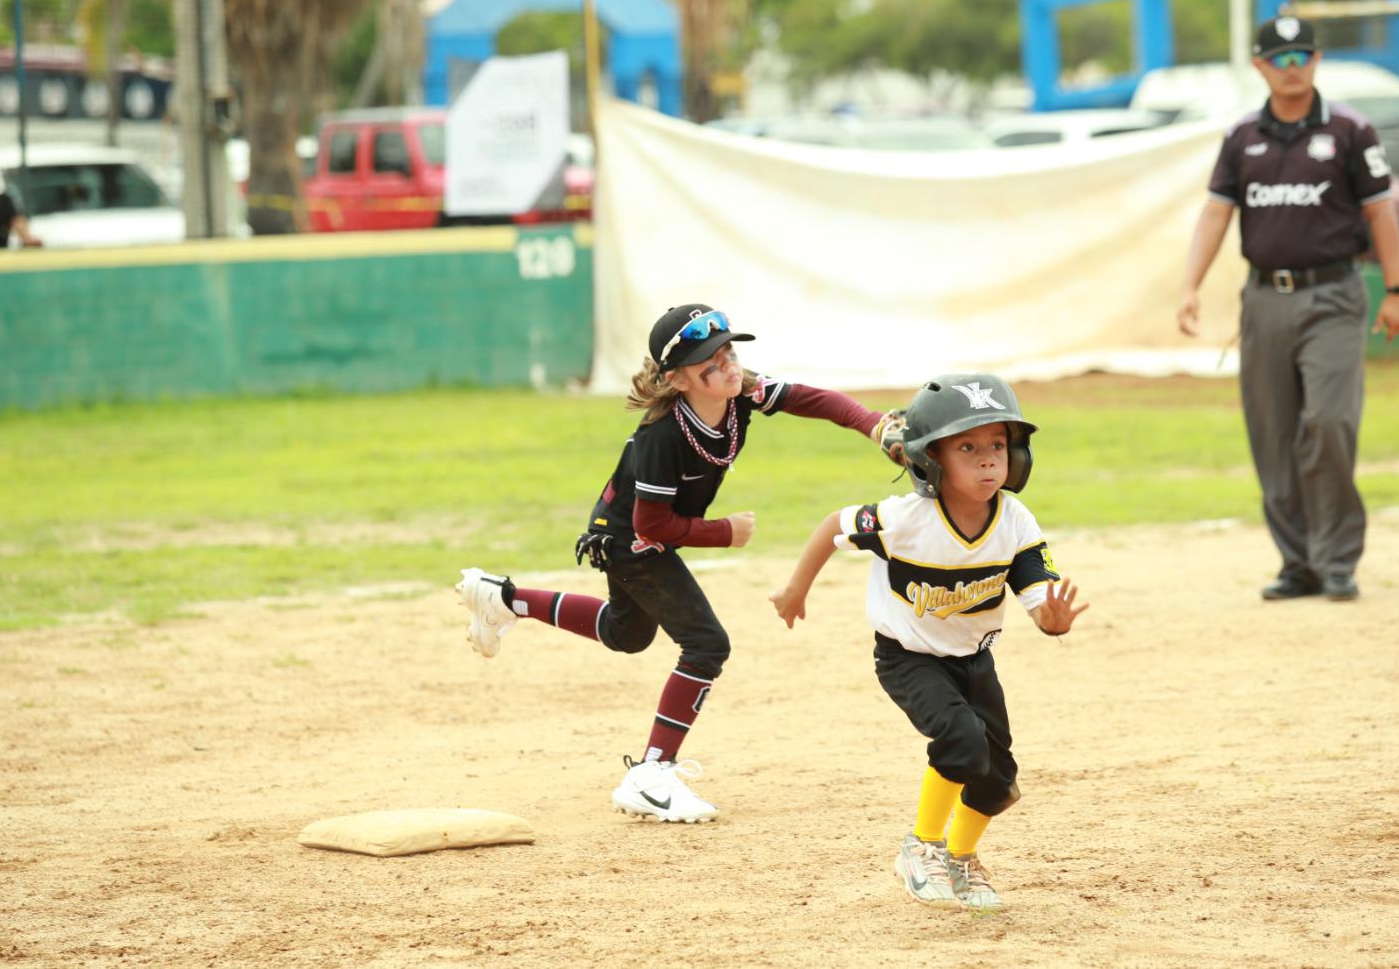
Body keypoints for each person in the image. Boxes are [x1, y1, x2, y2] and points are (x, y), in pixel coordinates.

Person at [455, 304, 900, 824]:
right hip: (631, 540)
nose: (730, 365)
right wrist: (723, 533)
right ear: (678, 379)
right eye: (712, 362)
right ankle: (651, 771)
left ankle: (503, 599)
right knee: (707, 643)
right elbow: (651, 527)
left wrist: (873, 425)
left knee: (626, 632)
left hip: (641, 532)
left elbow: (812, 399)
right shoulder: (662, 436)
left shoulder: (741, 393)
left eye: (729, 351)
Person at [768, 374, 1087, 912]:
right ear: (931, 459)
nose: (988, 460)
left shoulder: (1014, 521)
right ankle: (922, 847)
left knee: (999, 779)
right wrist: (795, 589)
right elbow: (833, 525)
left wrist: (1053, 621)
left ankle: (960, 859)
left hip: (973, 660)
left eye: (998, 445)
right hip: (908, 658)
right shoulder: (904, 519)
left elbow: (1037, 591)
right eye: (967, 447)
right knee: (962, 741)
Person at [1176, 15, 1399, 604]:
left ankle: (1336, 559)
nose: (1293, 68)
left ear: (1317, 60)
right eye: (1280, 58)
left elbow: (1381, 212)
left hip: (1334, 295)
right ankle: (1298, 562)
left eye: (1303, 56)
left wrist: (1397, 290)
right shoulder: (1241, 138)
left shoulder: (1350, 130)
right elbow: (1216, 213)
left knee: (1329, 424)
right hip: (1263, 299)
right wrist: (1190, 286)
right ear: (1260, 66)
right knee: (1273, 434)